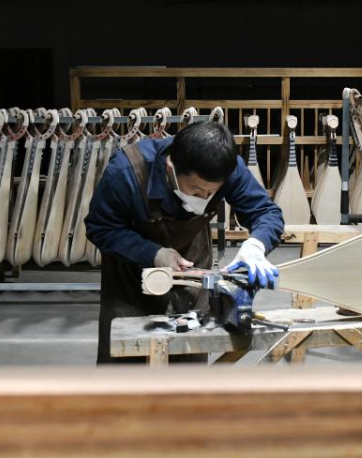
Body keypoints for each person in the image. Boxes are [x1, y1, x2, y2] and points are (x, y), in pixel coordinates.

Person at [86, 121, 284, 364]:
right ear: (171, 167)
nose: (205, 197)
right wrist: (153, 253)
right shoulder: (126, 172)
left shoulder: (228, 169)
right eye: (197, 189)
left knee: (190, 354)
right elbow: (100, 227)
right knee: (125, 362)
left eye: (212, 192)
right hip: (130, 275)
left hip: (192, 268)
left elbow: (266, 213)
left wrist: (256, 245)